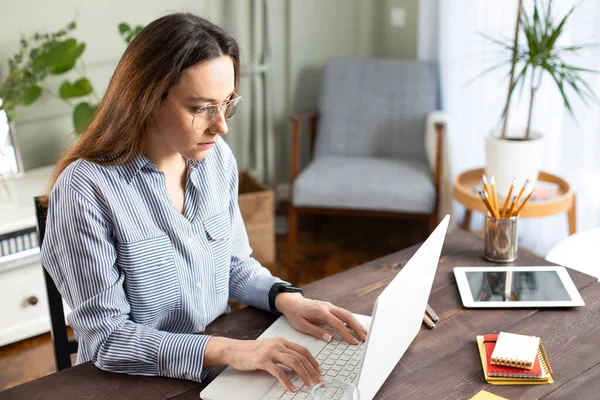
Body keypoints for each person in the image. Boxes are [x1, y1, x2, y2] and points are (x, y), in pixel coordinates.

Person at [40, 13, 367, 393]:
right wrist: (230, 350)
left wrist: (285, 298)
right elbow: (108, 340)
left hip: (223, 367)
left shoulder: (217, 160)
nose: (221, 125)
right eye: (200, 108)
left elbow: (230, 264)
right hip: (135, 383)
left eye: (226, 103)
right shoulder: (84, 191)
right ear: (145, 98)